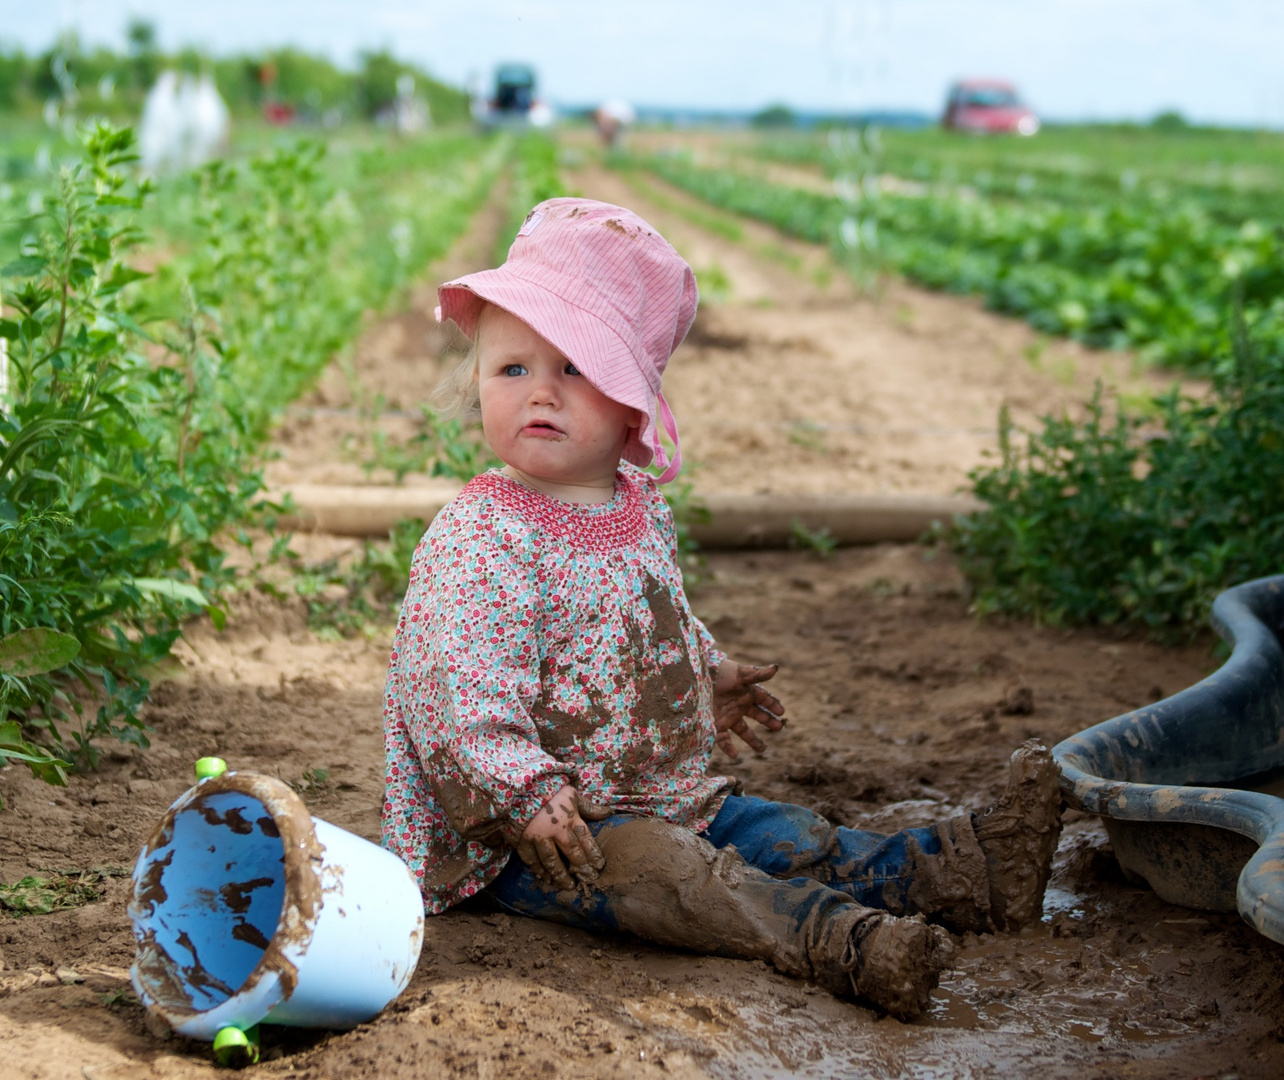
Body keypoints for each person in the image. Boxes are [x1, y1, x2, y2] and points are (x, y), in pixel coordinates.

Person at [381, 197, 1063, 1019]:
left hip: (655, 791)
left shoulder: (636, 507)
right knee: (677, 880)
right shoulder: (483, 535)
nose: (541, 395)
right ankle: (845, 946)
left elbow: (641, 614)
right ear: (480, 379)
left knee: (785, 836)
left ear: (632, 400)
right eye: (513, 369)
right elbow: (450, 686)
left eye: (575, 370)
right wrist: (523, 792)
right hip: (536, 837)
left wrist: (705, 667)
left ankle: (966, 870)